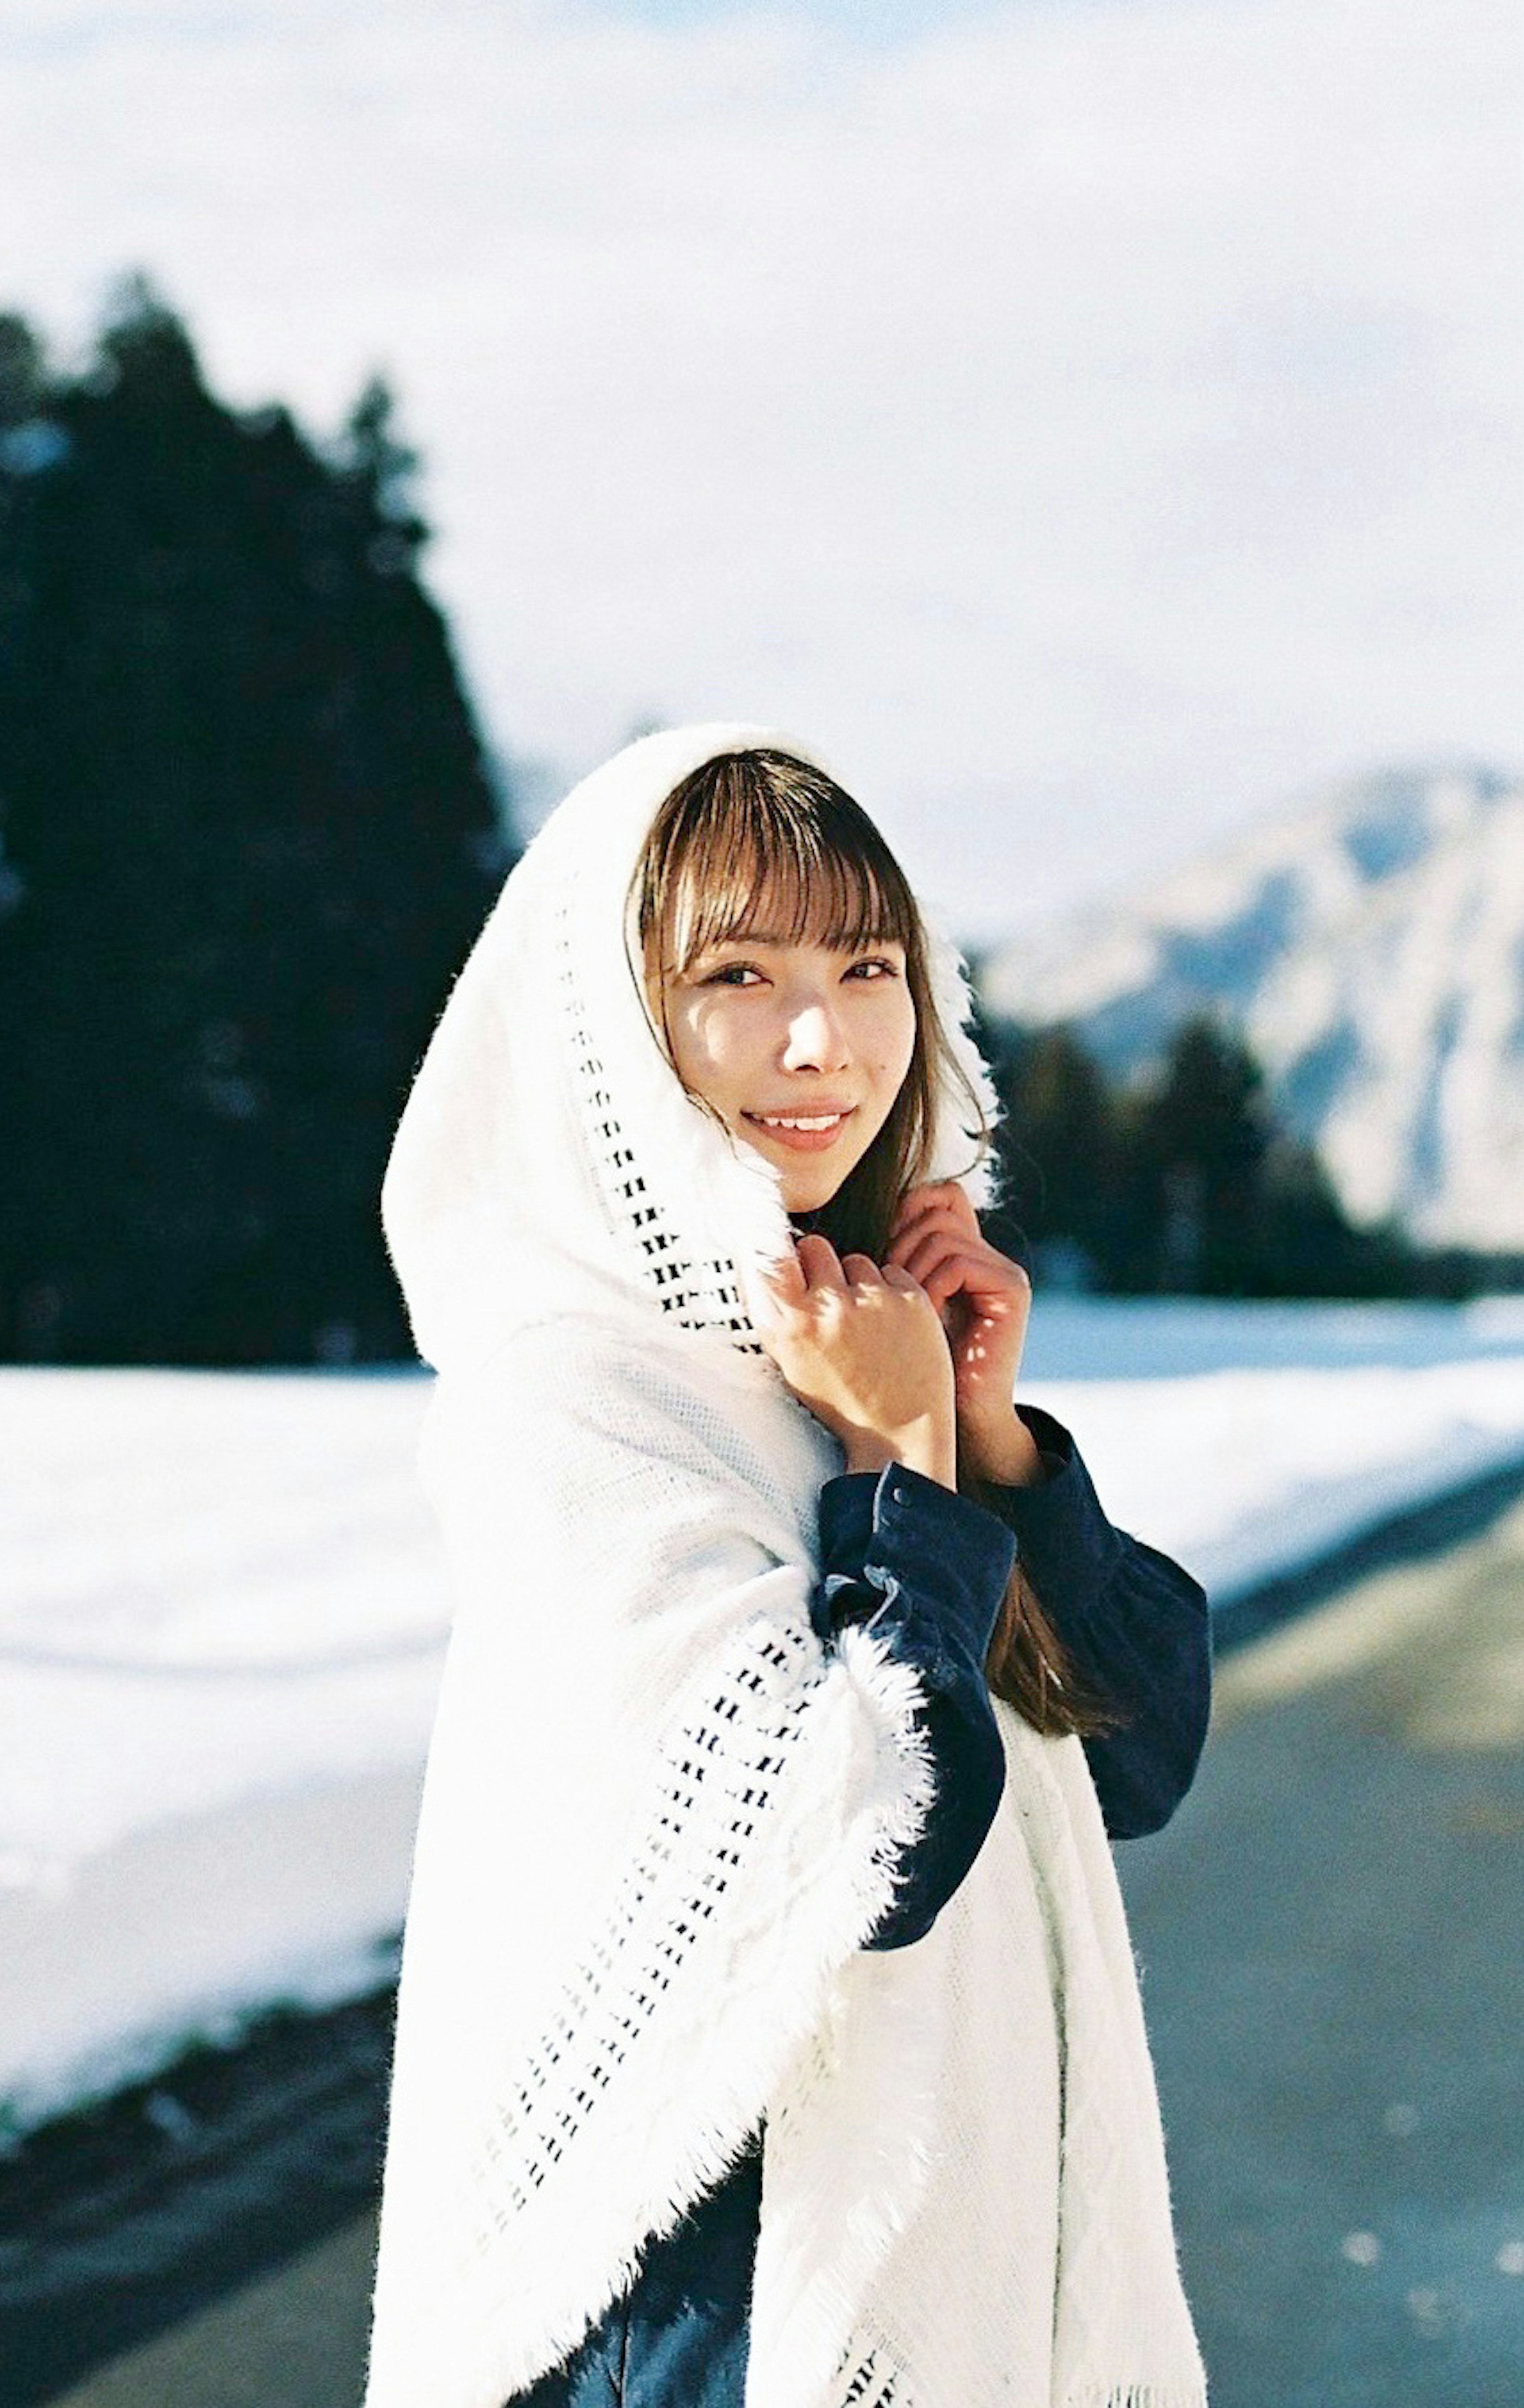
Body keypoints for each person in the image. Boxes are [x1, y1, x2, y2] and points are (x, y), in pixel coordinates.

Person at [363, 724, 1212, 2408]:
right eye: (739, 972)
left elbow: (1134, 1748)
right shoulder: (571, 1392)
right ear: (615, 1024)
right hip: (698, 2326)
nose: (825, 1040)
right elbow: (860, 1841)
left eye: (869, 962)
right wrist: (894, 1470)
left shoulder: (844, 1345)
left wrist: (987, 1446)